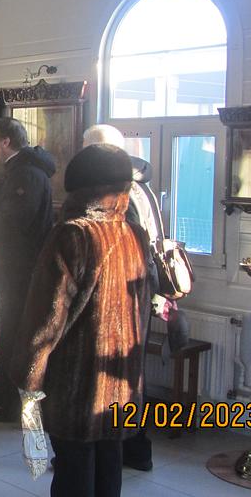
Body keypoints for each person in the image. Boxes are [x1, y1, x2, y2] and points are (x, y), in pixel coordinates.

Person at [11, 144, 152, 497]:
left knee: (74, 470)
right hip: (119, 379)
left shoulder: (73, 234)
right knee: (109, 464)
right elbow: (140, 310)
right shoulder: (135, 234)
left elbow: (46, 321)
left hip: (75, 385)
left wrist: (28, 379)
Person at [82, 124, 161, 472]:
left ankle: (128, 448)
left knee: (115, 375)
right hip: (137, 292)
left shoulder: (120, 194)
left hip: (123, 295)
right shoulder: (141, 186)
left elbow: (118, 248)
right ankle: (133, 449)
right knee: (128, 374)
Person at [0, 117, 56, 422]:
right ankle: (5, 394)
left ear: (5, 142)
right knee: (11, 331)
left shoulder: (26, 174)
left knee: (16, 333)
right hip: (18, 267)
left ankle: (14, 402)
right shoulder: (23, 171)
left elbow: (13, 221)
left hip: (20, 269)